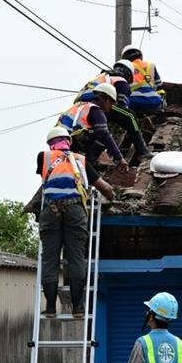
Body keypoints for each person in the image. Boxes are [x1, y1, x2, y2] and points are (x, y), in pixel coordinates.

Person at [37, 126, 115, 318]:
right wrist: (112, 196)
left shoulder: (43, 157)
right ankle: (78, 308)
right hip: (75, 210)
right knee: (76, 259)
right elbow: (103, 187)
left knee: (50, 259)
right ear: (69, 142)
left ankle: (50, 307)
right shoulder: (80, 160)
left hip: (51, 210)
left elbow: (45, 179)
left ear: (50, 144)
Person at [77, 60, 152, 161]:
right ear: (129, 75)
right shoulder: (121, 81)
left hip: (80, 105)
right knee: (130, 116)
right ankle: (143, 152)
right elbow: (122, 106)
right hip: (97, 100)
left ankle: (92, 158)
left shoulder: (102, 77)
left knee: (101, 131)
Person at [56, 83, 130, 174]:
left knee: (95, 131)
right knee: (102, 135)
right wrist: (120, 158)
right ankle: (91, 164)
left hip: (60, 145)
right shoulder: (96, 111)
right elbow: (104, 134)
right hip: (73, 142)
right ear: (104, 98)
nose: (111, 106)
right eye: (111, 102)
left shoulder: (78, 106)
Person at [120, 45, 164, 113]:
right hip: (155, 102)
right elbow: (160, 87)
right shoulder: (150, 65)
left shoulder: (124, 67)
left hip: (134, 102)